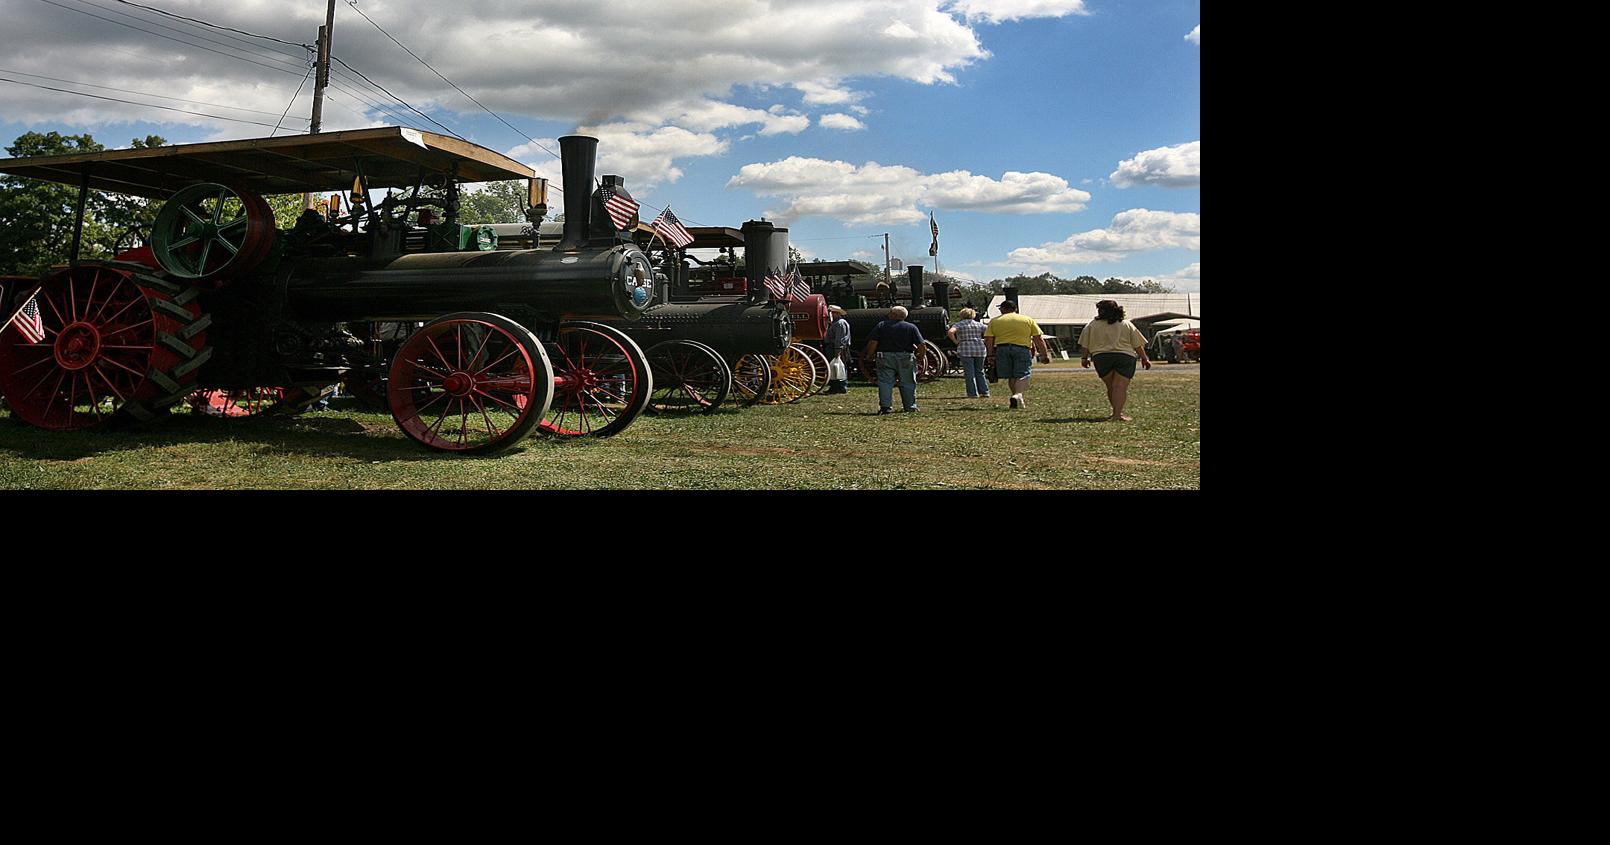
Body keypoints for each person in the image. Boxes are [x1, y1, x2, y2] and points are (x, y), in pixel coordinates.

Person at [1079, 299, 1152, 421]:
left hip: (1101, 357)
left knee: (1111, 387)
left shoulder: (1092, 325)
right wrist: (1144, 358)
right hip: (1124, 357)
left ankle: (1116, 412)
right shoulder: (1126, 324)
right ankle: (1117, 414)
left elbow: (1085, 344)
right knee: (1119, 387)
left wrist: (1084, 358)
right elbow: (1137, 344)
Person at [983, 300, 1051, 409]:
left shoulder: (994, 321)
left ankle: (1017, 399)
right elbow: (1038, 338)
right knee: (1023, 374)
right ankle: (1018, 394)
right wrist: (1044, 354)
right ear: (1015, 309)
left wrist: (990, 355)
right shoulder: (1027, 320)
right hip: (1021, 349)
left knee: (1011, 375)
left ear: (1003, 309)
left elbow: (989, 339)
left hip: (1002, 349)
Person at [862, 305, 924, 414]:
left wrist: (870, 355)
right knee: (908, 381)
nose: (888, 315)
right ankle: (910, 406)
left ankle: (886, 407)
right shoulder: (911, 327)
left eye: (890, 313)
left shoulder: (881, 325)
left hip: (885, 356)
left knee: (885, 382)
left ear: (895, 315)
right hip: (905, 356)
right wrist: (921, 355)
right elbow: (922, 345)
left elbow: (873, 342)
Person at [946, 307, 990, 398]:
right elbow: (989, 331)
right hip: (979, 349)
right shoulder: (978, 324)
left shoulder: (959, 325)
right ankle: (984, 391)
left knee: (969, 372)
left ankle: (972, 393)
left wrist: (956, 341)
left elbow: (950, 332)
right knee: (980, 371)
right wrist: (984, 340)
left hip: (965, 349)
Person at [823, 305, 851, 394]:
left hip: (836, 347)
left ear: (836, 313)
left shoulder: (840, 323)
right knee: (835, 367)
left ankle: (840, 386)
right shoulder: (836, 323)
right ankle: (836, 386)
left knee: (838, 367)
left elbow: (840, 338)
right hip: (834, 347)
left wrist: (837, 350)